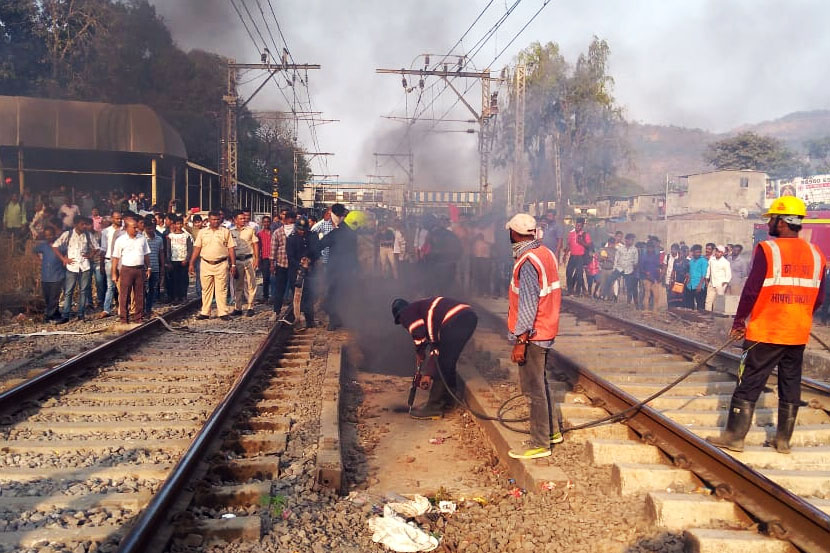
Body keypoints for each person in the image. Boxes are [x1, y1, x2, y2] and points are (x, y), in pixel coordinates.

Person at [708, 196, 825, 454]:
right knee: (790, 384)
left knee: (750, 380)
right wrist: (800, 314)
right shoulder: (816, 254)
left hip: (767, 330)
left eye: (772, 218)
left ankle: (734, 438)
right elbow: (819, 297)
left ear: (782, 222)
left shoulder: (768, 249)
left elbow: (751, 290)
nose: (770, 223)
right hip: (797, 333)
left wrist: (739, 320)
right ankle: (783, 441)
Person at [504, 213, 563, 460]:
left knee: (534, 389)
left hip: (534, 333)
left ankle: (539, 443)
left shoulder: (527, 261)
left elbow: (528, 303)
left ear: (515, 233)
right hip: (547, 327)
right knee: (542, 382)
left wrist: (521, 341)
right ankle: (552, 433)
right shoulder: (545, 252)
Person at [391, 296, 477, 420]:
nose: (404, 325)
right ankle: (449, 401)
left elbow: (417, 331)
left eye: (402, 322)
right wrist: (429, 374)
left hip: (456, 319)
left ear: (399, 315)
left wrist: (420, 352)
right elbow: (436, 349)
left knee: (444, 362)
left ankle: (434, 406)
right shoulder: (424, 312)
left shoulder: (407, 312)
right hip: (467, 317)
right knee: (448, 361)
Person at [189, 210, 236, 320]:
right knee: (206, 289)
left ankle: (223, 312)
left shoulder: (225, 232)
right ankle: (205, 312)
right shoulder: (202, 232)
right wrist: (191, 262)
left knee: (221, 289)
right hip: (205, 263)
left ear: (220, 219)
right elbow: (197, 248)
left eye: (217, 219)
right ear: (208, 220)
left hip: (221, 263)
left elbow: (231, 248)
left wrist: (233, 265)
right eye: (213, 219)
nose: (215, 221)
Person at [318, 203, 358, 330]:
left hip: (335, 270)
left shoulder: (336, 233)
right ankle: (345, 319)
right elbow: (355, 253)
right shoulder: (351, 233)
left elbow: (321, 244)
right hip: (347, 269)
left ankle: (334, 321)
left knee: (333, 294)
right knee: (345, 294)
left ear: (335, 215)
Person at [52, 216, 97, 323]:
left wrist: (91, 255)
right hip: (72, 267)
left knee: (83, 291)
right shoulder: (68, 234)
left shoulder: (88, 235)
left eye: (85, 224)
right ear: (76, 224)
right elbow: (55, 246)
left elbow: (97, 247)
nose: (85, 226)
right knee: (68, 291)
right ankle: (66, 315)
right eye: (82, 224)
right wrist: (63, 259)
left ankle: (81, 314)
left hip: (84, 266)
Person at [111, 217, 151, 324]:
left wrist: (149, 267)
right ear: (127, 228)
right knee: (124, 295)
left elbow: (146, 254)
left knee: (140, 294)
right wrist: (114, 273)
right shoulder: (120, 240)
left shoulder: (142, 238)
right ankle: (124, 319)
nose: (136, 229)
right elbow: (115, 257)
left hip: (140, 269)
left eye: (137, 227)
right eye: (134, 228)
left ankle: (139, 317)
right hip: (126, 269)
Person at [284, 215, 319, 327]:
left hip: (310, 269)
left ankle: (310, 320)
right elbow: (290, 256)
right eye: (299, 230)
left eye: (303, 230)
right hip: (296, 270)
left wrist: (309, 260)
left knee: (309, 295)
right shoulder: (291, 238)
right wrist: (300, 264)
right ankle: (298, 318)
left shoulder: (313, 236)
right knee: (297, 296)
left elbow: (316, 251)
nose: (301, 232)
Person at [230, 210, 258, 316]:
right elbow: (229, 248)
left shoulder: (250, 230)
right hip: (237, 260)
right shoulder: (230, 232)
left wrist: (257, 258)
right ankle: (238, 307)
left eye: (244, 218)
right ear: (235, 220)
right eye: (241, 218)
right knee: (238, 284)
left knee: (251, 283)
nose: (243, 220)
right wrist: (230, 263)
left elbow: (255, 244)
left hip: (249, 259)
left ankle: (251, 307)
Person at [35, 226, 65, 321]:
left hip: (57, 276)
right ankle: (55, 314)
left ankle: (48, 315)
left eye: (50, 235)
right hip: (45, 276)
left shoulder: (60, 245)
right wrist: (38, 260)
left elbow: (67, 253)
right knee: (47, 298)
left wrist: (64, 260)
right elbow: (34, 251)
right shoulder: (43, 246)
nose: (49, 237)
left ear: (54, 234)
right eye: (46, 235)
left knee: (54, 297)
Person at [270, 211, 295, 318]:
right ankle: (276, 311)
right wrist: (272, 263)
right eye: (289, 222)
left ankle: (298, 311)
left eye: (293, 222)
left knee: (296, 290)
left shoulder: (297, 232)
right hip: (281, 264)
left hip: (294, 265)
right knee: (279, 289)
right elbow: (273, 249)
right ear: (284, 221)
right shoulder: (277, 232)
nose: (291, 224)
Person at [166, 215, 193, 304]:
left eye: (181, 223)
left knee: (184, 279)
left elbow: (190, 248)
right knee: (175, 279)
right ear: (174, 225)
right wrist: (168, 261)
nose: (179, 225)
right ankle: (176, 297)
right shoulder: (170, 236)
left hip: (184, 260)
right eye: (177, 224)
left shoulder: (187, 235)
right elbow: (168, 249)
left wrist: (187, 259)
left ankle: (184, 296)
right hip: (174, 260)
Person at [564, 217, 591, 296]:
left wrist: (581, 242)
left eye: (579, 226)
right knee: (568, 272)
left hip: (580, 257)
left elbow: (588, 246)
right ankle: (569, 290)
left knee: (579, 274)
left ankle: (578, 292)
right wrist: (565, 254)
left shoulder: (585, 234)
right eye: (577, 225)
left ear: (582, 226)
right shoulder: (571, 234)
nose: (577, 227)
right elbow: (569, 245)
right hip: (572, 256)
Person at [144, 216, 164, 316]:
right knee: (143, 289)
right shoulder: (142, 239)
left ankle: (148, 308)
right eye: (148, 228)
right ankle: (142, 308)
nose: (150, 230)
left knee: (153, 289)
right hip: (144, 269)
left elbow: (161, 253)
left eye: (152, 228)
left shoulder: (159, 239)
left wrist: (162, 267)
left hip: (155, 267)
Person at [614, 233, 639, 308]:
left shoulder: (635, 249)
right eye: (631, 240)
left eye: (633, 240)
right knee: (616, 284)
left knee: (630, 287)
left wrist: (633, 271)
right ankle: (615, 298)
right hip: (620, 269)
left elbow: (636, 262)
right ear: (626, 240)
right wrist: (615, 269)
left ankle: (630, 302)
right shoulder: (620, 249)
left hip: (630, 271)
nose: (632, 241)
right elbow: (616, 259)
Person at [639, 240, 664, 311]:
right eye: (649, 247)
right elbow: (641, 268)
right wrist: (646, 273)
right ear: (647, 248)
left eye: (652, 248)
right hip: (646, 278)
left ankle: (654, 311)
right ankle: (646, 310)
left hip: (654, 278)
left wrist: (658, 276)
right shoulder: (643, 256)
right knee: (647, 294)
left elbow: (658, 266)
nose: (650, 249)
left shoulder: (656, 256)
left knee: (656, 296)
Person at [705, 245, 732, 311]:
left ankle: (716, 316)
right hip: (711, 283)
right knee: (708, 301)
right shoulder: (712, 260)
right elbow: (709, 270)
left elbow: (728, 275)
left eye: (719, 252)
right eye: (716, 251)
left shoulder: (725, 262)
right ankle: (707, 317)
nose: (717, 253)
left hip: (720, 285)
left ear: (722, 253)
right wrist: (706, 279)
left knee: (718, 302)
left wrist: (725, 284)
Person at [685, 244, 708, 310]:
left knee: (700, 305)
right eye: (697, 252)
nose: (698, 254)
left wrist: (700, 285)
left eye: (699, 252)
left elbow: (703, 274)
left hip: (699, 285)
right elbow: (690, 272)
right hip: (690, 285)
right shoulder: (691, 261)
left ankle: (700, 319)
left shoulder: (703, 261)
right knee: (690, 304)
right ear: (693, 252)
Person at [258, 216, 273, 303]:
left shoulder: (273, 233)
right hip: (264, 258)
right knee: (265, 278)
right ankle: (265, 296)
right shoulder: (259, 234)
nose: (266, 223)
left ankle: (273, 296)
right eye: (265, 222)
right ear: (262, 223)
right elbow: (258, 247)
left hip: (273, 258)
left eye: (268, 222)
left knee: (274, 278)